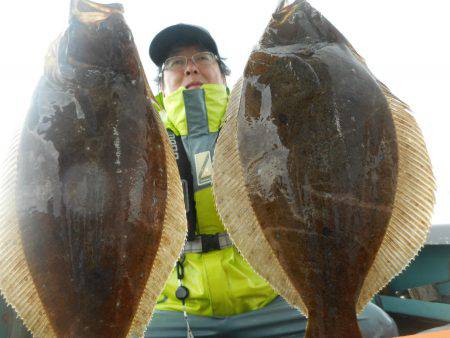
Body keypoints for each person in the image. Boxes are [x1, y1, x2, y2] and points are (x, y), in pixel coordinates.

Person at [145, 23, 399, 338]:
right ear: (161, 83)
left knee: (376, 328)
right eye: (175, 63)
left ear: (223, 74)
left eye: (203, 58)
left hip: (269, 299)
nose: (191, 68)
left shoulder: (259, 119)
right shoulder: (145, 137)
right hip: (178, 309)